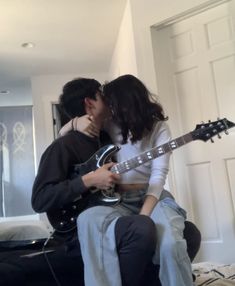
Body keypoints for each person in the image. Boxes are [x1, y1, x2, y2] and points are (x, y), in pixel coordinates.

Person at [60, 74, 201, 286]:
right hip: (117, 199)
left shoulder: (159, 128)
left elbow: (158, 175)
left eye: (113, 103)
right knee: (88, 220)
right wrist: (75, 122)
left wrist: (144, 216)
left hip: (152, 197)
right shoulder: (110, 124)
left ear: (126, 102)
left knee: (171, 244)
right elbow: (63, 133)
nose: (109, 108)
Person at [31, 78, 159, 286]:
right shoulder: (63, 146)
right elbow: (39, 200)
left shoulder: (107, 139)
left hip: (114, 212)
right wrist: (88, 180)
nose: (108, 98)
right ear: (90, 103)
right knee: (140, 228)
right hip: (78, 228)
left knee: (187, 231)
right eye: (101, 94)